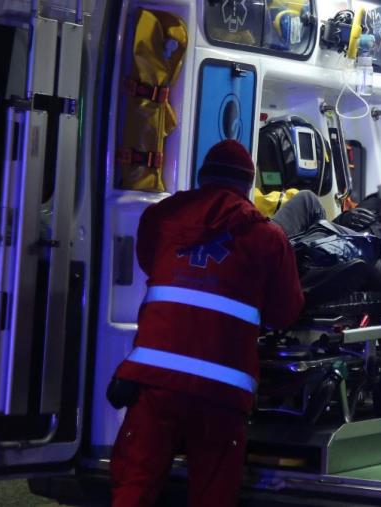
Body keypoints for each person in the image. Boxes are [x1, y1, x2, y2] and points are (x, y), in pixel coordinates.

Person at [108, 140, 305, 507]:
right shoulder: (268, 238)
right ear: (247, 186)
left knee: (133, 489)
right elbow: (285, 312)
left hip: (155, 383)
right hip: (221, 395)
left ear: (202, 177)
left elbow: (151, 264)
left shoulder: (161, 217)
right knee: (213, 496)